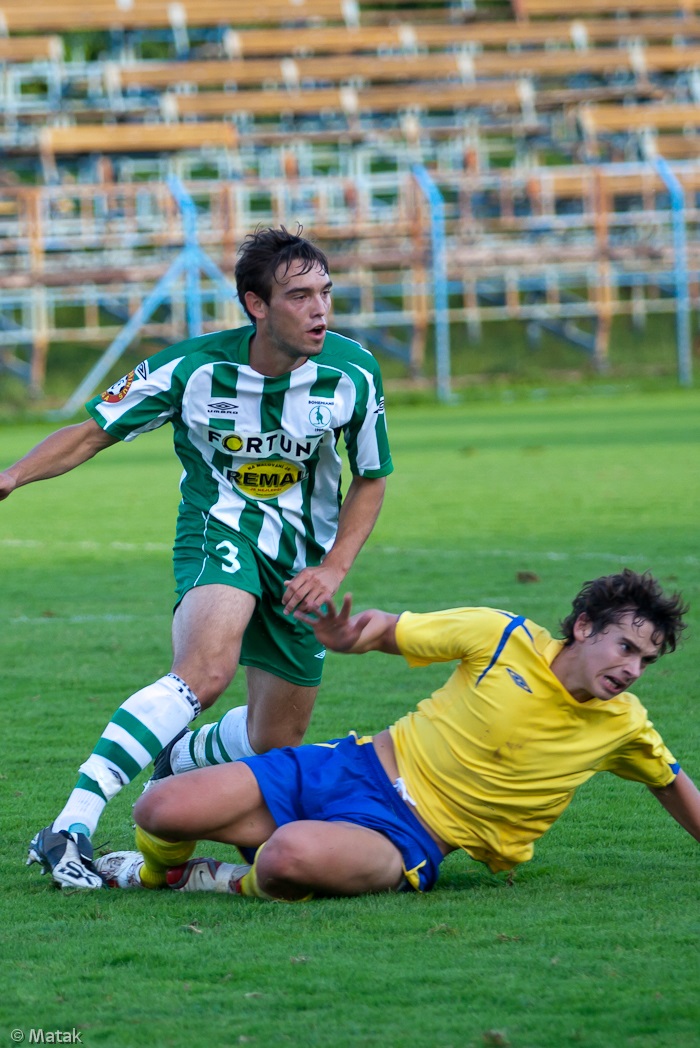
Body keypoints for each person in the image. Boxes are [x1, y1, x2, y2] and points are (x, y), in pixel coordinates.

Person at [2, 225, 392, 890]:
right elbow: (92, 434)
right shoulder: (189, 370)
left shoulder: (353, 374)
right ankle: (71, 825)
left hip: (303, 566)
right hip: (221, 533)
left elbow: (372, 476)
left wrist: (334, 569)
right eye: (298, 296)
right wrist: (9, 476)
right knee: (206, 671)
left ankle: (181, 752)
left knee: (274, 745)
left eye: (325, 292)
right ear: (256, 305)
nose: (320, 309)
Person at [93, 569, 700, 899]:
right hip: (350, 765)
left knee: (288, 855)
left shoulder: (624, 724)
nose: (631, 669)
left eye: (646, 660)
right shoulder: (500, 636)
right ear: (585, 626)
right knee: (159, 807)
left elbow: (672, 784)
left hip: (411, 833)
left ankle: (224, 880)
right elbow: (387, 631)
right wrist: (345, 635)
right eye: (625, 646)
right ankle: (157, 875)